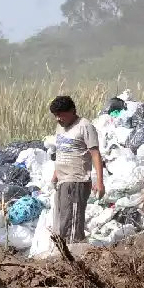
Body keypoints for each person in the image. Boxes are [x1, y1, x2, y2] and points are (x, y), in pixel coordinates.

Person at [49, 95, 104, 243]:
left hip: (76, 181)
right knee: (63, 222)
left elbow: (95, 154)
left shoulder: (84, 126)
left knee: (72, 224)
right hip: (63, 181)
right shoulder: (60, 128)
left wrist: (99, 182)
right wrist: (55, 175)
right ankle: (66, 254)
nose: (58, 119)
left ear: (72, 111)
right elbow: (62, 152)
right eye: (55, 115)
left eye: (60, 114)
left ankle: (74, 256)